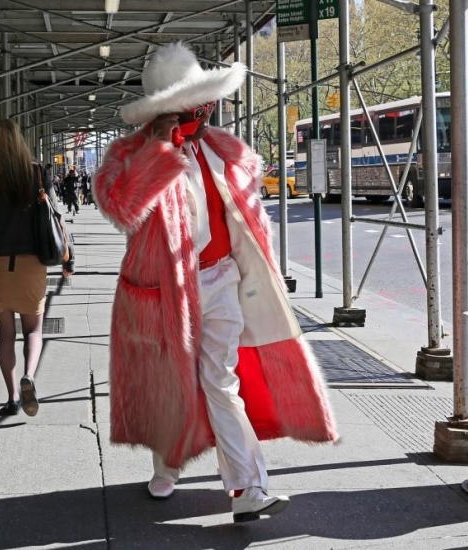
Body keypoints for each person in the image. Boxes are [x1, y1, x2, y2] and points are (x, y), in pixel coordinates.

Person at [94, 43, 337, 523]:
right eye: (190, 108)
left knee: (221, 382)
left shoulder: (223, 148)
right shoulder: (130, 153)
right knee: (169, 385)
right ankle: (167, 466)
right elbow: (120, 206)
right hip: (163, 290)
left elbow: (246, 214)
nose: (202, 115)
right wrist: (157, 151)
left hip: (222, 279)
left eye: (203, 105)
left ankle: (247, 487)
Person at [0, 119, 74, 416]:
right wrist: (68, 258)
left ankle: (12, 396)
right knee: (34, 330)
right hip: (32, 263)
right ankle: (29, 375)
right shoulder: (37, 173)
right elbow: (56, 216)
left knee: (5, 334)